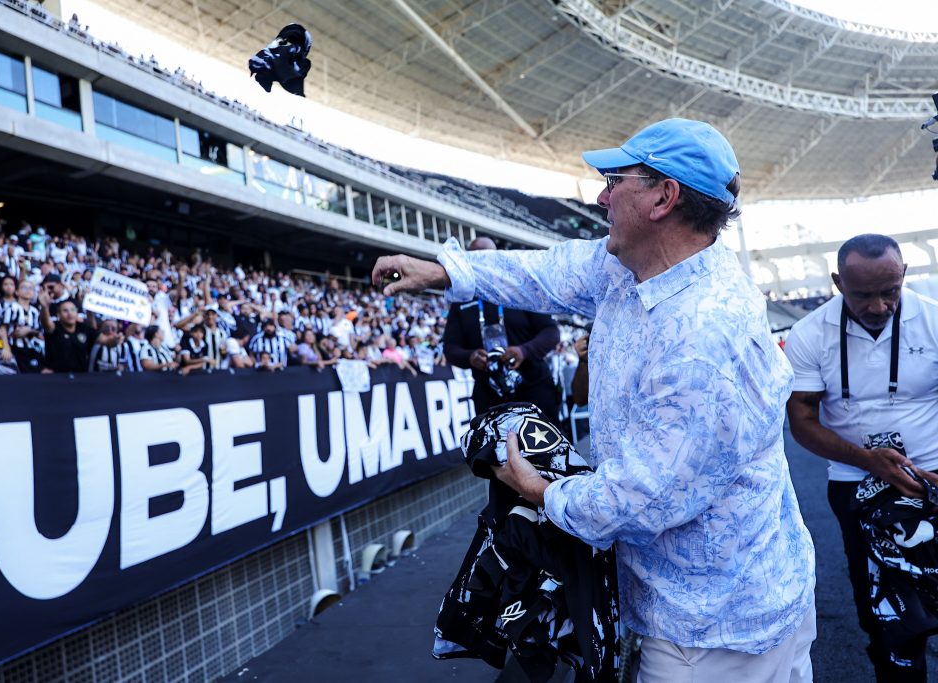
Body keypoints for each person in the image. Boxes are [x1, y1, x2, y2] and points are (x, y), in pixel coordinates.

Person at [372, 118, 816, 681]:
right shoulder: (630, 268)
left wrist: (541, 490)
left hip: (714, 632)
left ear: (663, 197)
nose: (603, 195)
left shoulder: (704, 334)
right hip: (709, 609)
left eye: (615, 179)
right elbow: (546, 271)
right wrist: (444, 271)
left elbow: (643, 499)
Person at [784, 234, 938, 682]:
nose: (878, 306)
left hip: (933, 478)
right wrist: (870, 461)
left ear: (904, 275)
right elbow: (803, 423)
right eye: (862, 295)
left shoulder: (932, 320)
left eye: (890, 291)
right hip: (856, 485)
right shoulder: (809, 333)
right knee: (883, 609)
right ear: (837, 282)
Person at [443, 236, 561, 421]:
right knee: (494, 449)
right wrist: (470, 357)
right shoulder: (461, 300)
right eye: (475, 258)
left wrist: (524, 351)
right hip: (488, 394)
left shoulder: (519, 289)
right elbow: (450, 348)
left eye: (488, 257)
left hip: (534, 388)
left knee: (545, 449)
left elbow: (551, 332)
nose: (482, 262)